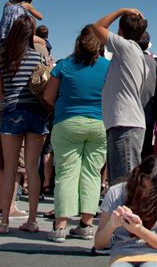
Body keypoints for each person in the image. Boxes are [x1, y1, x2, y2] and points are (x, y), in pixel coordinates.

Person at [43, 25, 109, 243]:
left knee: (66, 173)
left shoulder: (64, 66)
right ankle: (86, 224)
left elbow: (48, 96)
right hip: (99, 123)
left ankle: (60, 226)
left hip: (67, 122)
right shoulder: (108, 67)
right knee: (92, 173)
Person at [0, 15, 49, 234]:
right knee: (32, 169)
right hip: (36, 112)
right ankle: (32, 220)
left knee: (9, 170)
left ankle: (4, 222)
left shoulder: (2, 58)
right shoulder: (38, 58)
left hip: (11, 111)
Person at [92, 8, 149, 186]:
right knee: (120, 181)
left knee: (124, 183)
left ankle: (126, 214)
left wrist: (122, 10)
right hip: (126, 122)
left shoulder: (126, 47)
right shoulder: (135, 53)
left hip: (125, 122)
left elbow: (97, 27)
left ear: (121, 31)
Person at [95, 155, 157, 267]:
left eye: (152, 191)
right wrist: (111, 225)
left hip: (156, 255)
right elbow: (99, 244)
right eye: (142, 185)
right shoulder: (115, 192)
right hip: (122, 255)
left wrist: (139, 230)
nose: (145, 193)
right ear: (137, 175)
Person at [138, 32, 157, 160]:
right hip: (148, 113)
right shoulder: (155, 62)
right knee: (145, 151)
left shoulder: (125, 59)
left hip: (129, 114)